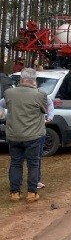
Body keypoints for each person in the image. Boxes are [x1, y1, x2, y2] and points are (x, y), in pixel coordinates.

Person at [3, 68, 48, 202]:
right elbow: (45, 110)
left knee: (16, 162)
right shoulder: (40, 94)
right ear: (34, 80)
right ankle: (31, 192)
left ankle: (15, 193)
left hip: (14, 134)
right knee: (33, 163)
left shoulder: (8, 93)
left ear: (21, 79)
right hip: (33, 134)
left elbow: (8, 106)